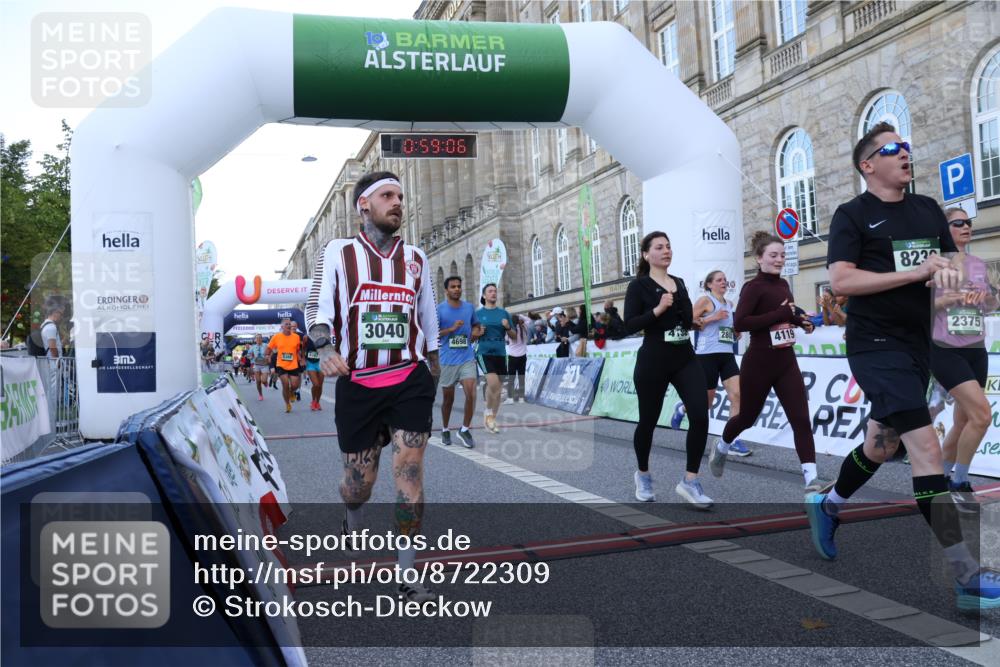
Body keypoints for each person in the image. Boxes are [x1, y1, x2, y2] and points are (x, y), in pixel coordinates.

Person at [807, 122, 999, 609]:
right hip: (875, 345)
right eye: (893, 149)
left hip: (924, 342)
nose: (906, 154)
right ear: (867, 164)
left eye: (908, 147)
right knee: (925, 449)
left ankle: (828, 504)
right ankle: (967, 575)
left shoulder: (928, 209)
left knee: (880, 444)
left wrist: (964, 284)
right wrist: (915, 271)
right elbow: (842, 282)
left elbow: (948, 267)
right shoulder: (852, 215)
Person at [306, 170, 440, 603]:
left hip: (408, 378)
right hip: (357, 382)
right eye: (387, 195)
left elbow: (429, 318)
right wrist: (325, 346)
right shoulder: (338, 252)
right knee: (357, 482)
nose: (397, 202)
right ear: (364, 204)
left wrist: (432, 365)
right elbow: (317, 306)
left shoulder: (417, 257)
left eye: (401, 195)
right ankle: (353, 511)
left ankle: (407, 571)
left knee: (410, 470)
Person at [709, 232, 819, 489]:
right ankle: (722, 445)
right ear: (759, 259)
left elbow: (786, 314)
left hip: (786, 361)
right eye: (773, 255)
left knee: (801, 419)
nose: (779, 260)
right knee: (746, 418)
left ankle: (811, 479)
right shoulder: (753, 287)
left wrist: (800, 322)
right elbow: (741, 322)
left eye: (782, 255)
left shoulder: (782, 285)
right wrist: (780, 313)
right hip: (759, 362)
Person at [624, 231, 713, 508]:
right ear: (646, 254)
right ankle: (643, 474)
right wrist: (658, 310)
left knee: (699, 414)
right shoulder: (638, 286)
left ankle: (690, 481)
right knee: (648, 422)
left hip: (685, 358)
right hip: (653, 360)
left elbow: (686, 320)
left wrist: (696, 322)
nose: (666, 251)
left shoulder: (681, 283)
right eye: (659, 247)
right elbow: (630, 325)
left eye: (669, 246)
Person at [931, 207, 998, 510]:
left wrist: (986, 298)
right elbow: (924, 306)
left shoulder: (977, 265)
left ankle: (940, 481)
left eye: (969, 222)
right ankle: (960, 481)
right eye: (958, 223)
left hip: (975, 347)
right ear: (945, 229)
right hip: (945, 348)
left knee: (962, 421)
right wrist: (953, 297)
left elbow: (988, 304)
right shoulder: (935, 262)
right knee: (981, 415)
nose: (966, 226)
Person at [692, 270, 750, 457]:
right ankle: (683, 408)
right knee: (706, 403)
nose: (724, 282)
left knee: (738, 395)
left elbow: (727, 330)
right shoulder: (705, 301)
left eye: (725, 279)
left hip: (726, 355)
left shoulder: (730, 304)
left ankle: (732, 439)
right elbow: (689, 321)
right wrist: (711, 318)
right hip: (706, 355)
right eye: (719, 280)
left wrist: (735, 332)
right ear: (710, 284)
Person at [437, 275, 478, 448]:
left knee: (471, 393)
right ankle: (445, 429)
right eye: (453, 287)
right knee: (448, 399)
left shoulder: (469, 308)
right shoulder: (439, 309)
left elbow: (475, 324)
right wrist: (451, 329)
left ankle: (464, 429)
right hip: (447, 359)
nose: (457, 289)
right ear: (446, 290)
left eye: (459, 286)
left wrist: (475, 332)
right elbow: (434, 333)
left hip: (467, 357)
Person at [476, 283, 515, 434]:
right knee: (493, 384)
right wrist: (478, 333)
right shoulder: (478, 314)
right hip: (484, 352)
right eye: (490, 291)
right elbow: (471, 336)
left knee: (498, 390)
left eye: (495, 291)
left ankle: (491, 419)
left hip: (500, 352)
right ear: (484, 296)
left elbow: (514, 336)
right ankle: (487, 412)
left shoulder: (504, 313)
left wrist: (507, 327)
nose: (493, 293)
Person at [266, 318, 303, 413]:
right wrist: (267, 356)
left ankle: (291, 392)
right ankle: (287, 404)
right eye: (286, 324)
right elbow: (269, 348)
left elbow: (298, 350)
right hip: (281, 364)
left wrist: (301, 359)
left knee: (295, 385)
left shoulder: (296, 337)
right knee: (285, 384)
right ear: (282, 326)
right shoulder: (276, 337)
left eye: (289, 324)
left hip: (293, 364)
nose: (289, 326)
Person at [504, 312, 531, 403]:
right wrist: (520, 315)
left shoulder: (509, 331)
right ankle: (521, 398)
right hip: (523, 356)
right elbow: (529, 320)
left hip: (512, 356)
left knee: (511, 377)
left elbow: (506, 339)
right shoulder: (524, 328)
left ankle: (510, 397)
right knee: (521, 377)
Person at [303, 335, 325, 411]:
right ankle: (313, 401)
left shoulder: (324, 336)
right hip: (310, 363)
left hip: (321, 362)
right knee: (316, 384)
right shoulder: (306, 337)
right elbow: (303, 348)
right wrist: (303, 359)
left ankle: (317, 402)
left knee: (320, 385)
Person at [248, 334, 270, 401]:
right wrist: (251, 357)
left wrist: (268, 356)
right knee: (258, 381)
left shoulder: (266, 345)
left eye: (260, 338)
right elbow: (249, 354)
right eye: (257, 338)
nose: (258, 340)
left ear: (262, 339)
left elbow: (271, 351)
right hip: (257, 365)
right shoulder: (253, 347)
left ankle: (265, 383)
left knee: (263, 380)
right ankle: (260, 395)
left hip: (264, 365)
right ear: (255, 340)